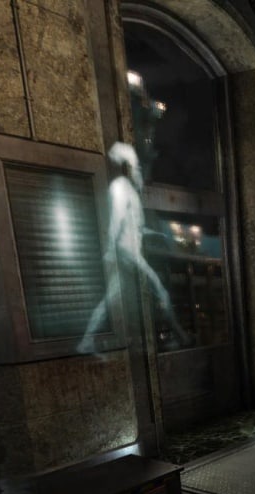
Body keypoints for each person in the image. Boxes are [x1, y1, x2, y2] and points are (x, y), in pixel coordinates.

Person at [79, 141, 190, 352]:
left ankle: (86, 340)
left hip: (128, 251)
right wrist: (110, 249)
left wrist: (154, 234)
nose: (140, 171)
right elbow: (117, 220)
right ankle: (180, 335)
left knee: (110, 298)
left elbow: (134, 226)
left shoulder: (129, 190)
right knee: (159, 289)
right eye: (136, 166)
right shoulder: (120, 187)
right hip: (127, 252)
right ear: (127, 166)